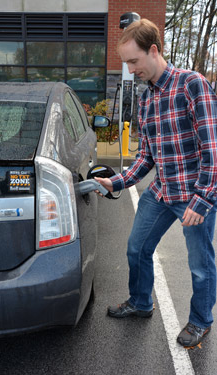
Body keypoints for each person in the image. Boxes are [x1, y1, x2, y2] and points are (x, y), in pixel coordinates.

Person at [95, 18, 217, 348]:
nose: (131, 70)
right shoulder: (147, 99)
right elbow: (146, 157)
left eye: (134, 61)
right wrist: (117, 183)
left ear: (154, 50)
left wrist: (203, 199)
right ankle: (140, 302)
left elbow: (213, 148)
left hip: (194, 196)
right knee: (137, 248)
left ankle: (201, 321)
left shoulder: (192, 84)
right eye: (127, 63)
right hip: (162, 191)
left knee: (201, 267)